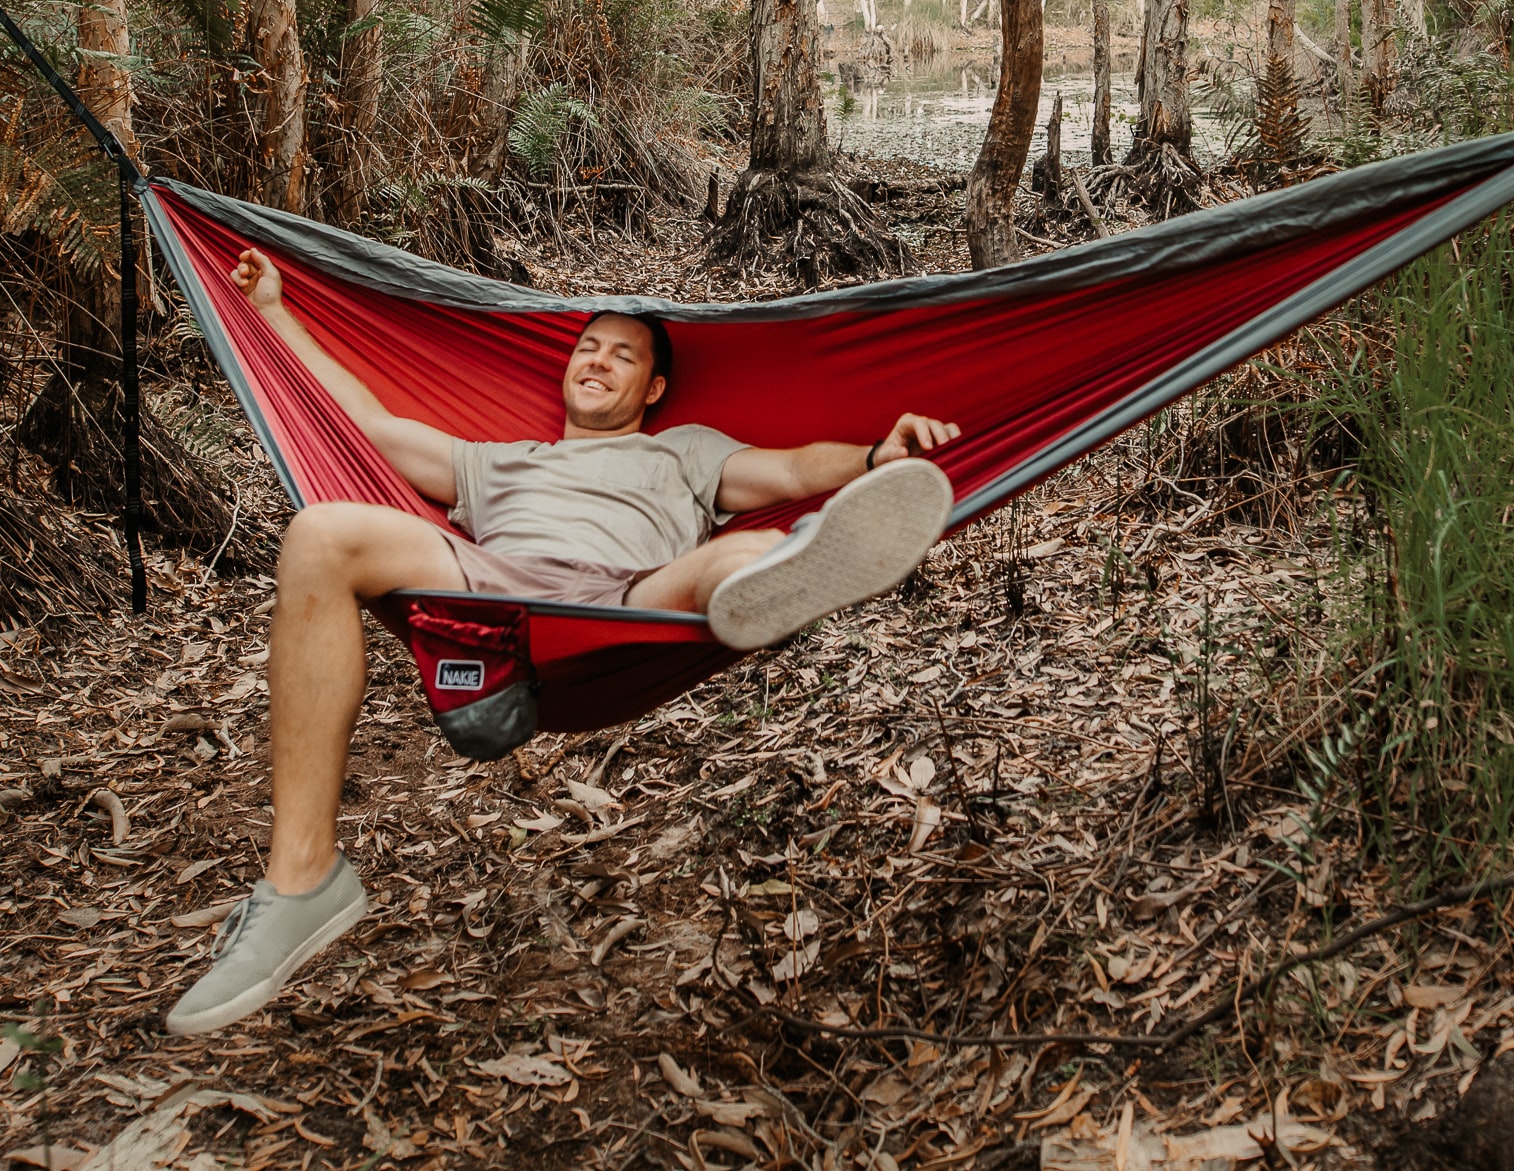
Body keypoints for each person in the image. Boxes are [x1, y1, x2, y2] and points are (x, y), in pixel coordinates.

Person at [168, 247, 960, 1035]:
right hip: (487, 585)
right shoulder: (498, 461)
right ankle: (303, 879)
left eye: (622, 354)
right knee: (320, 531)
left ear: (652, 388)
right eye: (588, 345)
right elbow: (364, 425)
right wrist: (273, 311)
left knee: (739, 554)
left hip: (626, 598)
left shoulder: (683, 450)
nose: (598, 360)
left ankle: (789, 574)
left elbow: (788, 473)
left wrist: (871, 459)